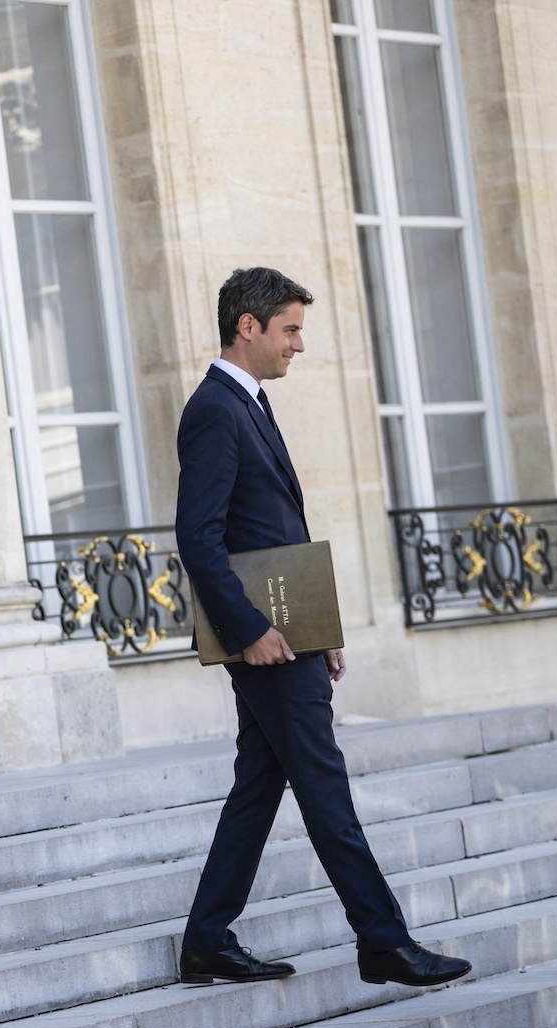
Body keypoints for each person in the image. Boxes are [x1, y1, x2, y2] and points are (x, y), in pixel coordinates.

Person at [174, 268, 471, 988]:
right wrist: (250, 630)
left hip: (288, 634)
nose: (299, 345)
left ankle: (207, 938)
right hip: (266, 647)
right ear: (249, 326)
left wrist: (319, 624)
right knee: (325, 787)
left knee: (258, 785)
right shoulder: (216, 408)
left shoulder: (250, 404)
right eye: (290, 329)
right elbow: (199, 535)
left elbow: (273, 533)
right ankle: (383, 938)